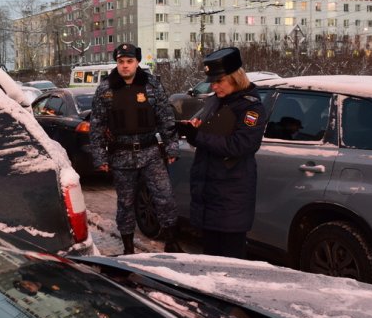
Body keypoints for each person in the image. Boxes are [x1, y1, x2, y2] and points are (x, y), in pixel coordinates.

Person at [90, 43, 182, 254]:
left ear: (137, 62)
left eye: (129, 61)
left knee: (164, 197)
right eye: (121, 62)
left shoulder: (151, 85)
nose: (125, 66)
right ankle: (129, 248)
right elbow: (97, 125)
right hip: (121, 155)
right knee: (125, 203)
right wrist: (100, 157)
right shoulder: (106, 89)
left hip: (150, 153)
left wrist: (172, 148)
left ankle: (171, 241)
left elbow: (165, 118)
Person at [177, 47, 267, 258]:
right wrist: (195, 128)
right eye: (212, 82)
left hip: (230, 197)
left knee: (230, 262)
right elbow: (211, 133)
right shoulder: (215, 101)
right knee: (210, 259)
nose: (214, 86)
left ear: (235, 78)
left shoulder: (250, 108)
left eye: (219, 81)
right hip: (209, 194)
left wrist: (198, 136)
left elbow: (242, 145)